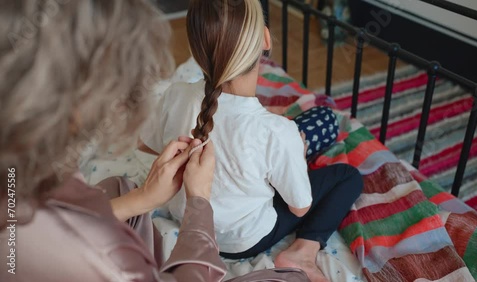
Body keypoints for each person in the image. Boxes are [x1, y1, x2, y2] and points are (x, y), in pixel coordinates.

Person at [0, 1, 310, 281]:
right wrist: (199, 202)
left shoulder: (16, 182)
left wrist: (143, 199)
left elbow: (39, 228)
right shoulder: (109, 265)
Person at [140, 1, 363, 281]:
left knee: (304, 132)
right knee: (347, 175)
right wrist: (292, 151)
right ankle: (303, 252)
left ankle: (295, 148)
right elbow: (300, 207)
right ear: (266, 39)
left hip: (187, 220)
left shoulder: (176, 93)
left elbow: (146, 145)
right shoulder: (275, 131)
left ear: (198, 51)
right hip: (243, 241)